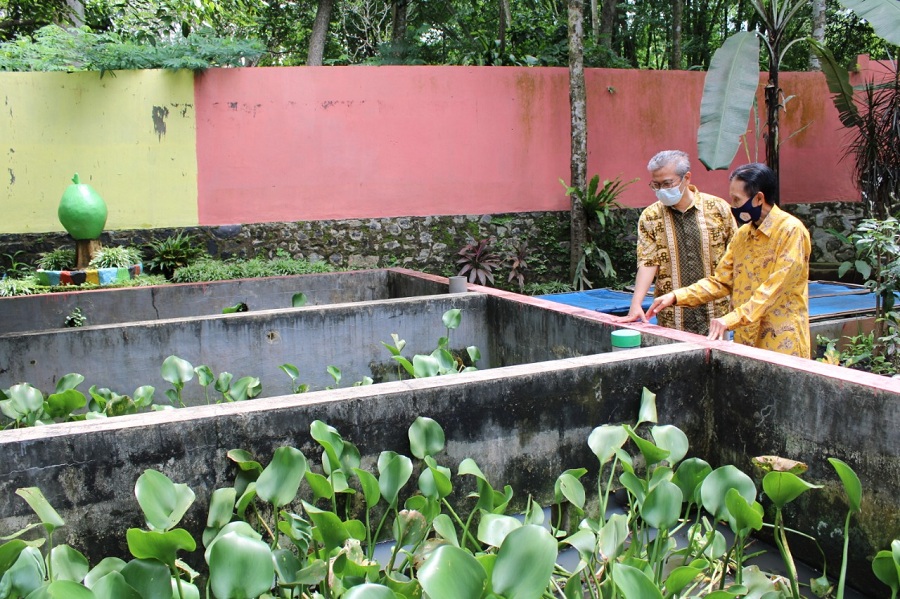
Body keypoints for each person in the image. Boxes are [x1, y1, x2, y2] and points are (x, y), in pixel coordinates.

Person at [646, 162, 811, 358]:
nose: (732, 206)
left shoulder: (791, 231)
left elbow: (774, 289)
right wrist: (675, 296)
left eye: (736, 200)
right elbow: (721, 281)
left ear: (759, 199)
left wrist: (730, 319)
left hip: (782, 341)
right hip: (746, 338)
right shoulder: (743, 235)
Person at [613, 150, 736, 335]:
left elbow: (736, 258)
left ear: (686, 178)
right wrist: (636, 304)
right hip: (672, 317)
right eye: (656, 185)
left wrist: (738, 302)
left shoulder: (718, 208)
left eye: (667, 183)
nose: (662, 190)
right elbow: (648, 262)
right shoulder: (651, 216)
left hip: (716, 313)